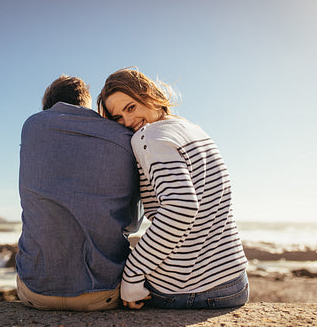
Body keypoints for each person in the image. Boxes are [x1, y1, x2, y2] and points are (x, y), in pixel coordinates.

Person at [97, 68, 249, 310]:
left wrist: (132, 275)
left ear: (148, 94)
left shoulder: (147, 137)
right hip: (233, 283)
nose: (127, 122)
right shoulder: (194, 130)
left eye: (130, 108)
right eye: (118, 118)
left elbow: (181, 208)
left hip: (183, 290)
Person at [16, 75, 141, 311]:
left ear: (48, 106)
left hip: (35, 292)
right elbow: (133, 224)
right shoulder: (123, 137)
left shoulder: (32, 126)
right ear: (86, 104)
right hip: (103, 292)